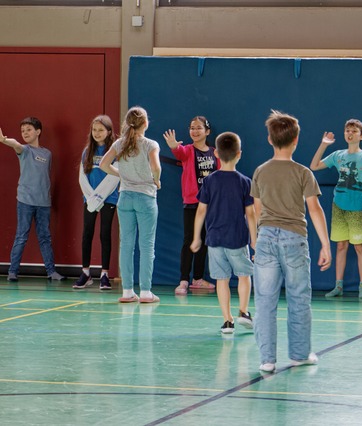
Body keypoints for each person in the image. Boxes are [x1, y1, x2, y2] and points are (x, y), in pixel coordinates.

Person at [251, 110, 332, 373]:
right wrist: (326, 244)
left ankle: (267, 359)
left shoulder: (261, 172)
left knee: (264, 300)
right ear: (296, 140)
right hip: (295, 239)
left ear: (269, 139)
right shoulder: (303, 173)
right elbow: (315, 209)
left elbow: (257, 210)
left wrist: (257, 240)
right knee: (298, 298)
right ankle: (299, 354)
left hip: (265, 239)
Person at [190, 131, 257, 334]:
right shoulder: (245, 182)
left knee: (222, 279)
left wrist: (196, 238)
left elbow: (201, 210)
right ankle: (243, 312)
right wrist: (255, 240)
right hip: (237, 239)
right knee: (244, 275)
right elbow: (251, 214)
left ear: (216, 154)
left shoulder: (209, 181)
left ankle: (227, 321)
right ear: (239, 154)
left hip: (215, 240)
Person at [0, 118, 66, 282]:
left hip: (43, 203)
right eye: (23, 130)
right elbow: (16, 144)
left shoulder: (47, 154)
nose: (25, 133)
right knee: (21, 236)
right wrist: (4, 140)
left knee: (45, 237)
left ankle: (51, 272)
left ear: (38, 131)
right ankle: (12, 271)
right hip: (25, 200)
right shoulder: (24, 150)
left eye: (29, 129)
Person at [100, 106, 161, 304]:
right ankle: (145, 292)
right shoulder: (150, 144)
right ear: (145, 123)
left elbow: (103, 164)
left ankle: (127, 291)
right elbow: (156, 167)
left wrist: (121, 174)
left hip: (125, 197)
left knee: (126, 245)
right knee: (146, 245)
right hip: (145, 197)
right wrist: (156, 180)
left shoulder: (119, 143)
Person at [309, 119, 362, 299]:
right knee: (341, 245)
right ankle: (338, 286)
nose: (350, 133)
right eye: (347, 130)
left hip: (357, 208)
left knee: (360, 247)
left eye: (354, 131)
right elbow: (314, 166)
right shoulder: (338, 155)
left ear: (361, 135)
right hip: (338, 206)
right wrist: (324, 145)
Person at [163, 116, 220, 295]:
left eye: (199, 128)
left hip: (210, 204)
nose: (194, 131)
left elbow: (220, 174)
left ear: (207, 131)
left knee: (204, 242)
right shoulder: (188, 150)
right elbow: (178, 153)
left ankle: (198, 278)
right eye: (192, 128)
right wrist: (173, 145)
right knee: (189, 240)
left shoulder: (214, 152)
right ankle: (184, 280)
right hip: (192, 203)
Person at [75, 115, 120, 290]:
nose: (97, 133)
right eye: (94, 130)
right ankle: (85, 273)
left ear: (109, 132)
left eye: (101, 130)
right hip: (90, 198)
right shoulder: (87, 151)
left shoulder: (114, 152)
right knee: (87, 233)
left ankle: (104, 274)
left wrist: (100, 196)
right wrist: (92, 197)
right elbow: (82, 176)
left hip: (109, 198)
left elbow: (115, 176)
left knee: (105, 234)